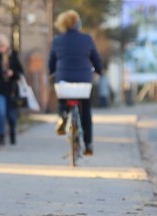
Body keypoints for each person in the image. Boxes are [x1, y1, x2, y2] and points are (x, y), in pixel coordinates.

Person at [48, 10, 102, 155]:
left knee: (62, 98)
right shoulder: (87, 39)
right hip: (83, 82)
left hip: (64, 80)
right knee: (86, 113)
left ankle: (62, 116)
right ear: (78, 24)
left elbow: (51, 62)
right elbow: (96, 59)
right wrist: (99, 70)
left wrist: (52, 71)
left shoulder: (57, 40)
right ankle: (88, 145)